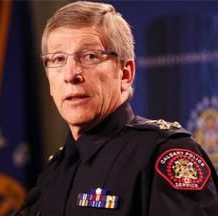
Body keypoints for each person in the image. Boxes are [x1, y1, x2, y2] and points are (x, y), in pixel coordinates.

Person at [29, 1, 218, 215]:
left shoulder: (163, 155)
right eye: (59, 59)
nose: (71, 74)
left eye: (90, 56)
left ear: (125, 74)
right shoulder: (53, 172)